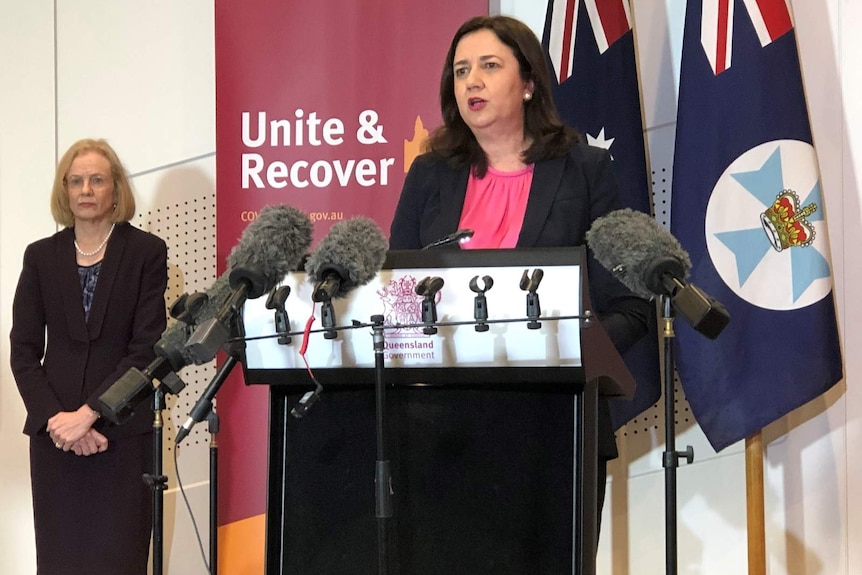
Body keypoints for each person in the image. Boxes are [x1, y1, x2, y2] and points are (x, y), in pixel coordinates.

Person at [389, 14, 651, 568]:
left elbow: (628, 303)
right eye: (461, 71)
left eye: (489, 66)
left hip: (554, 428)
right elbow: (400, 298)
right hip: (442, 431)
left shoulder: (584, 171)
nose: (471, 83)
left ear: (528, 82)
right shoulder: (428, 176)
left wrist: (573, 352)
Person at [10, 138, 168, 575]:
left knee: (119, 560)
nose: (85, 190)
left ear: (115, 189)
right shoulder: (40, 257)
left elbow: (146, 350)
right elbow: (23, 351)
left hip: (120, 436)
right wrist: (59, 420)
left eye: (96, 180)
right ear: (64, 190)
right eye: (75, 181)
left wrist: (92, 414)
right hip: (55, 438)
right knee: (60, 562)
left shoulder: (146, 253)